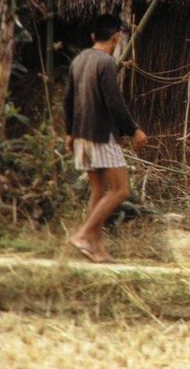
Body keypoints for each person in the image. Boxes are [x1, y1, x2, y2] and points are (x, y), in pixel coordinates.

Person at [64, 14, 147, 263]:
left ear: (92, 36)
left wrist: (70, 133)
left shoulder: (78, 60)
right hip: (101, 135)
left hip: (80, 135)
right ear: (114, 38)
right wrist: (134, 130)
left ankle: (97, 250)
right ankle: (82, 235)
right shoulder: (107, 63)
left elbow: (67, 100)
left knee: (99, 192)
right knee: (120, 190)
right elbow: (115, 103)